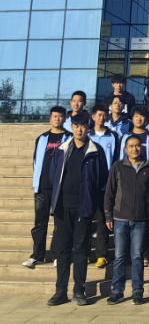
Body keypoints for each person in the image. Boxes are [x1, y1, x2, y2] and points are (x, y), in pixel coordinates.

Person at [47, 114, 108, 306]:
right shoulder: (62, 150)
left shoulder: (96, 151)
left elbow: (102, 178)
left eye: (83, 126)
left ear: (88, 128)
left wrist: (90, 199)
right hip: (62, 207)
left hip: (84, 208)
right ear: (71, 127)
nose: (80, 129)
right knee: (63, 250)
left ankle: (79, 291)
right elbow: (53, 175)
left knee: (81, 251)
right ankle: (60, 291)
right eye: (76, 126)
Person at [104, 134, 149, 305]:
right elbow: (110, 193)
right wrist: (108, 215)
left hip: (140, 220)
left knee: (137, 257)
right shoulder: (118, 166)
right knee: (119, 256)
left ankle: (137, 291)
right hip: (120, 218)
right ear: (126, 149)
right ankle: (117, 291)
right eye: (131, 146)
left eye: (138, 145)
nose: (135, 149)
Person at [24, 106, 71, 270]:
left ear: (65, 118)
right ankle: (37, 255)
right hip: (42, 187)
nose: (57, 119)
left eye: (60, 116)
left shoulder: (70, 138)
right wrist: (36, 182)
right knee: (40, 223)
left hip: (61, 187)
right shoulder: (42, 138)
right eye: (54, 116)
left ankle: (58, 255)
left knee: (60, 224)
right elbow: (36, 161)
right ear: (50, 118)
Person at [88, 103, 119, 269]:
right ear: (93, 117)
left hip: (105, 185)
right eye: (99, 115)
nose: (102, 117)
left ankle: (102, 255)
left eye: (104, 115)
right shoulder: (86, 135)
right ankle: (85, 252)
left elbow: (116, 159)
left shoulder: (113, 136)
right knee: (85, 219)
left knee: (102, 220)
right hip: (88, 185)